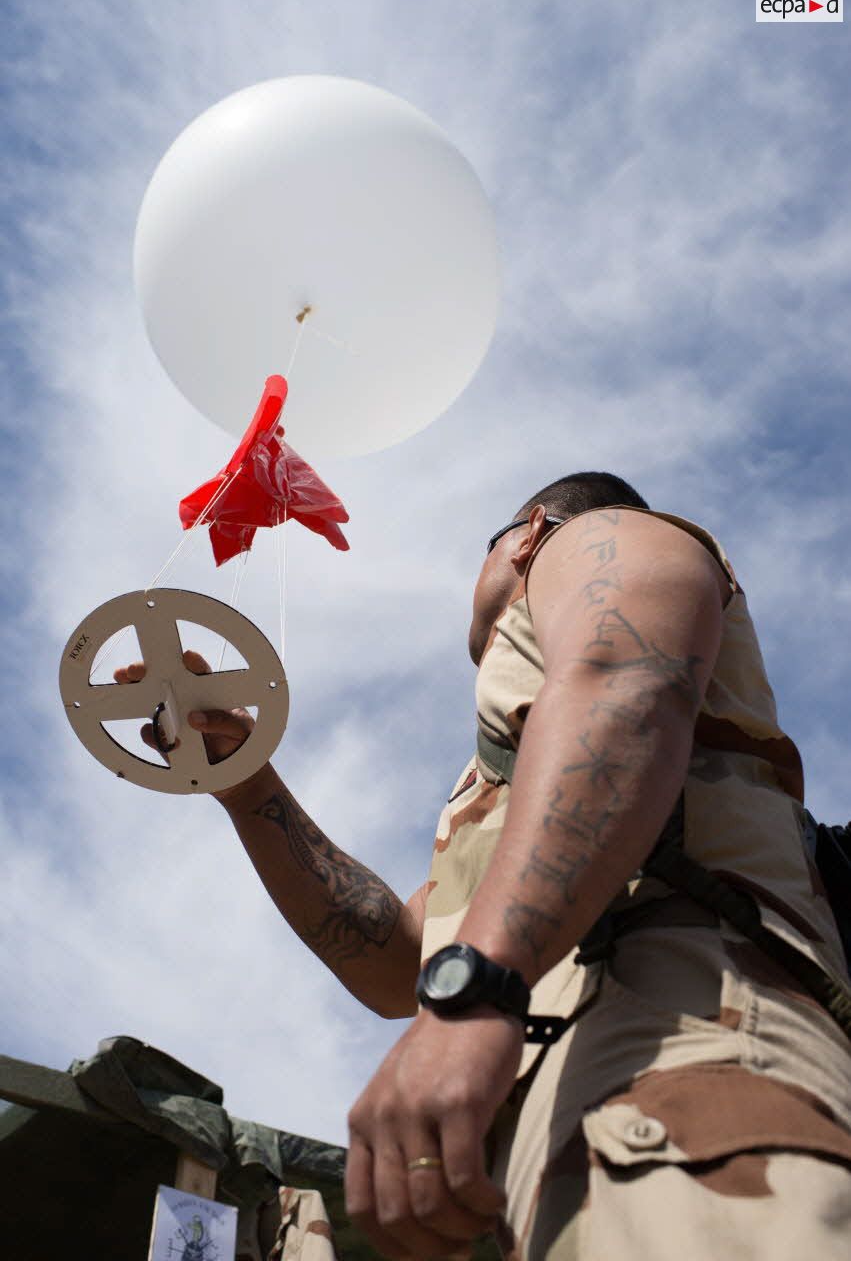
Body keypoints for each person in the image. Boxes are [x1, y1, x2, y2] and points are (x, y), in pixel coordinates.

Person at [117, 473, 851, 1259]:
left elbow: (626, 687)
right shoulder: (524, 802)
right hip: (549, 1126)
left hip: (676, 1039)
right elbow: (396, 963)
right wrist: (247, 787)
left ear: (526, 532)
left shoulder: (597, 539)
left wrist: (472, 994)